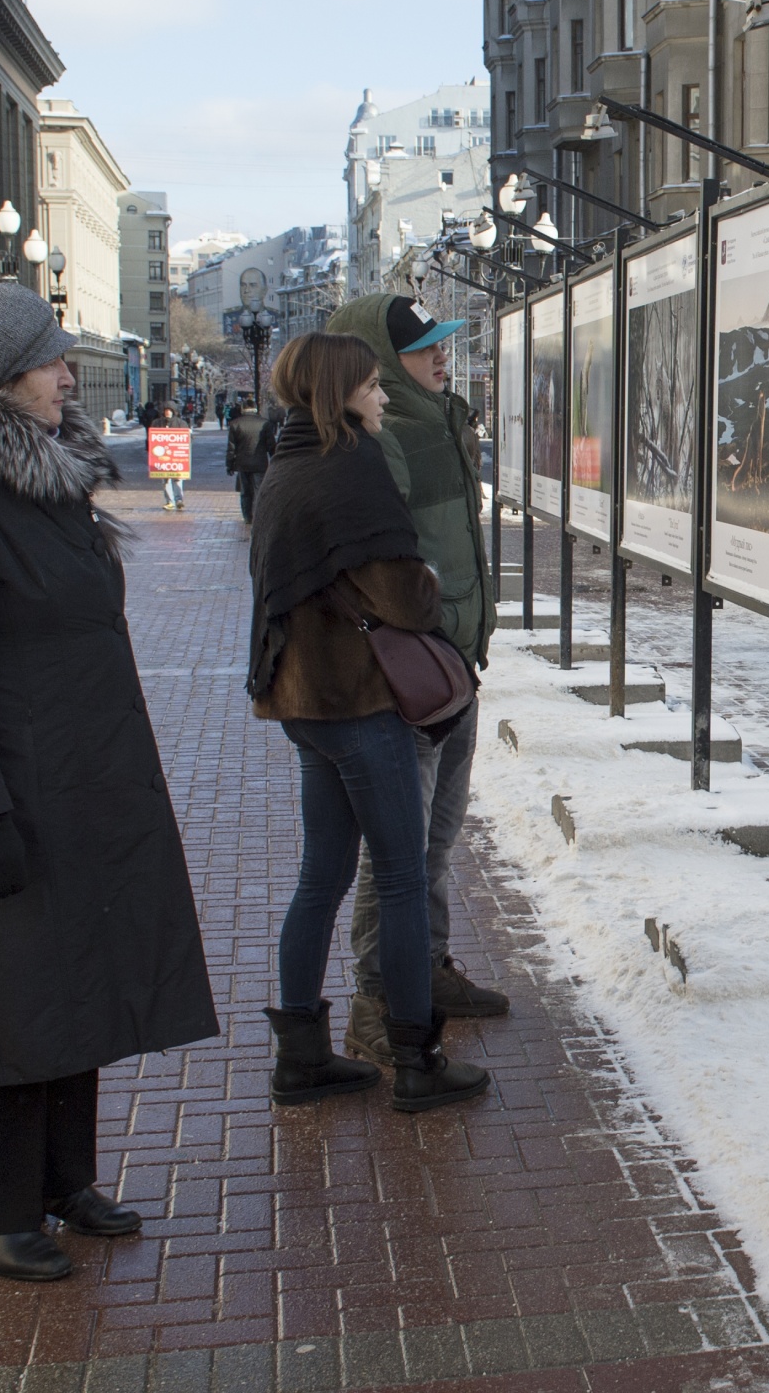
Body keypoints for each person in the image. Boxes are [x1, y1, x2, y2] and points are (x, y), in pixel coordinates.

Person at [0, 283, 218, 1283]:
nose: (69, 375)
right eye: (51, 360)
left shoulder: (42, 480)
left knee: (75, 978)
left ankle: (67, 1180)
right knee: (1, 998)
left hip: (80, 777)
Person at [247, 331, 490, 1113]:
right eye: (372, 386)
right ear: (342, 391)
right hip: (357, 701)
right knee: (401, 874)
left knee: (322, 876)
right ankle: (417, 1059)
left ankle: (302, 1057)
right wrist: (422, 579)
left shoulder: (284, 461)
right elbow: (403, 596)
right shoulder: (350, 465)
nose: (383, 396)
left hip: (302, 701)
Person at [336, 295, 507, 1065]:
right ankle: (378, 997)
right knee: (398, 853)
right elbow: (386, 567)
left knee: (434, 843)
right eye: (424, 348)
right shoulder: (388, 439)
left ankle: (425, 968)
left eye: (445, 344)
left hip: (451, 665)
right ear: (376, 360)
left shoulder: (439, 421)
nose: (442, 358)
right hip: (416, 675)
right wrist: (427, 630)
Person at [225, 398, 279, 524]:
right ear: (255, 409)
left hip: (242, 463)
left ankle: (247, 516)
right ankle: (257, 515)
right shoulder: (264, 424)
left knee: (245, 492)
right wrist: (275, 460)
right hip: (260, 463)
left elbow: (231, 448)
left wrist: (230, 465)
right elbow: (271, 445)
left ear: (243, 408)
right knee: (258, 490)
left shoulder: (235, 424)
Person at [155, 404, 188, 510]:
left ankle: (179, 500)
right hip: (163, 458)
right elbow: (152, 439)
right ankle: (170, 501)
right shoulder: (157, 423)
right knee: (165, 480)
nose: (167, 412)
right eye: (166, 410)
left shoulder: (181, 423)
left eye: (170, 410)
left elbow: (187, 438)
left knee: (177, 479)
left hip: (177, 458)